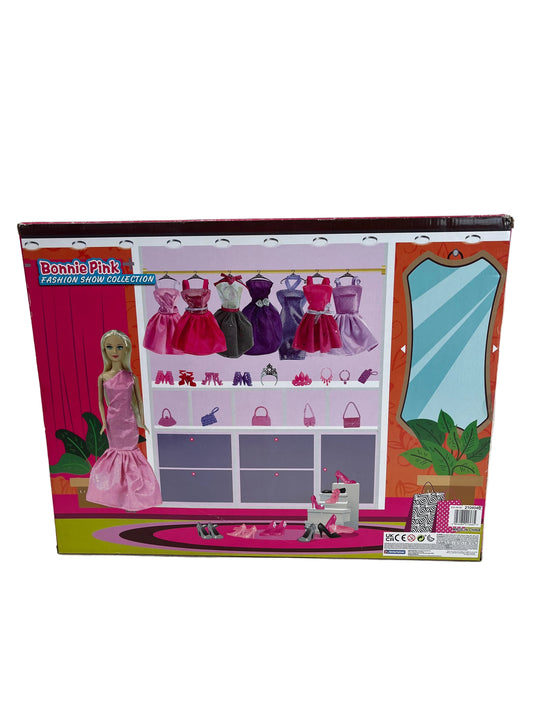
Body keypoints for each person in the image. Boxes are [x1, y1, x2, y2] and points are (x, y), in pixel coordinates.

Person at [86, 330, 162, 511]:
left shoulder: (130, 377)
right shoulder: (103, 377)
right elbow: (100, 402)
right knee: (115, 454)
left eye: (119, 347)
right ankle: (114, 494)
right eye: (110, 347)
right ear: (104, 350)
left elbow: (139, 401)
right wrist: (103, 422)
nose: (114, 351)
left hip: (129, 420)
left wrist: (142, 422)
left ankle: (135, 495)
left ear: (126, 349)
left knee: (131, 454)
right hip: (113, 421)